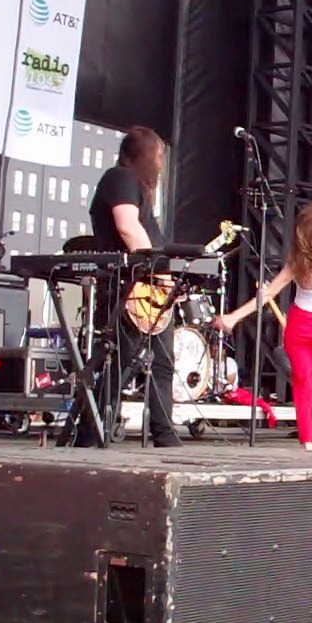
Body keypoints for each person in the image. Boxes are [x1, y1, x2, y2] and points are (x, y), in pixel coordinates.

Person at [213, 159, 312, 450]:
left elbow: (266, 295)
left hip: (300, 325)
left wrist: (233, 317)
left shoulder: (298, 263)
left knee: (302, 383)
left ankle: (307, 442)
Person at [80, 126, 181, 447]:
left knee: (161, 364)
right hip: (130, 287)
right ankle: (90, 433)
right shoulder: (120, 177)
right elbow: (126, 226)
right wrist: (156, 270)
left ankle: (164, 433)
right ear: (146, 154)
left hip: (149, 289)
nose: (162, 164)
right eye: (159, 156)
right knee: (118, 364)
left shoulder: (133, 185)